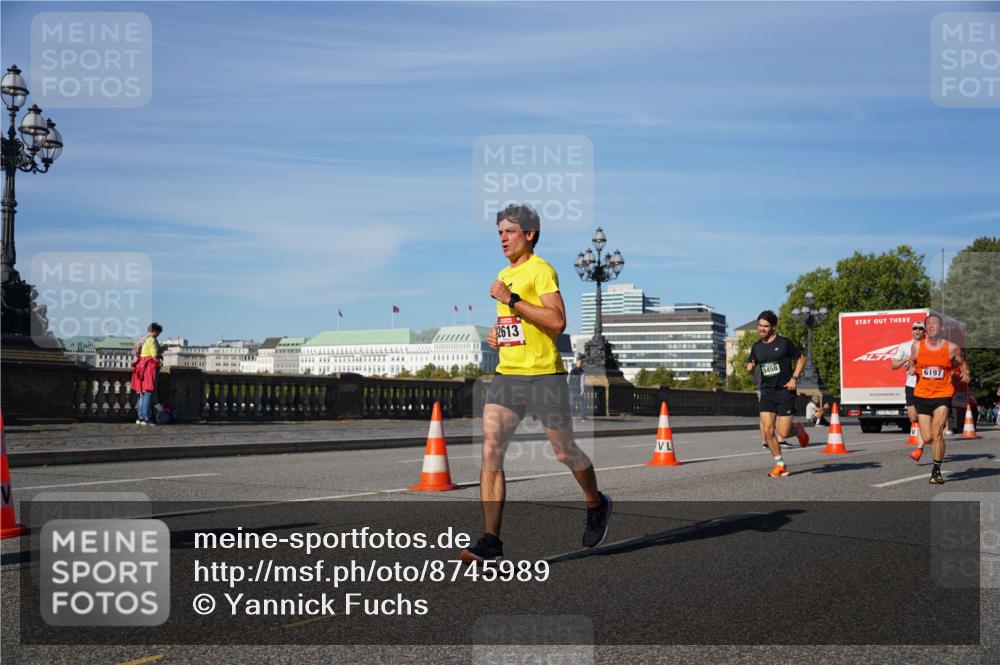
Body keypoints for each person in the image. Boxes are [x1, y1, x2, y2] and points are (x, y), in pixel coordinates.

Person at [459, 205, 611, 564]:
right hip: (508, 374)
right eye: (499, 232)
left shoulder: (541, 270)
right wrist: (498, 335)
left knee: (564, 451)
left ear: (529, 234)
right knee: (491, 450)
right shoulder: (502, 274)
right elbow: (517, 327)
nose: (502, 238)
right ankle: (491, 541)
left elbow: (557, 321)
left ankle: (595, 503)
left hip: (544, 375)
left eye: (509, 231)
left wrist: (511, 298)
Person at [909, 313, 970, 484]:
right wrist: (911, 368)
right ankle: (934, 458)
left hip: (943, 394)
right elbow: (911, 362)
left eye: (935, 324)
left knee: (937, 432)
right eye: (929, 324)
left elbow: (962, 362)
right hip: (921, 395)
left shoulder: (951, 348)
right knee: (927, 437)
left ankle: (936, 470)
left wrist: (966, 372)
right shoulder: (917, 347)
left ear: (941, 328)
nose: (931, 327)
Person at [746, 310, 807, 478]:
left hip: (785, 391)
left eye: (766, 326)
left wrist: (794, 378)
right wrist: (750, 369)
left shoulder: (784, 343)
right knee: (767, 430)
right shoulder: (757, 347)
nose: (762, 329)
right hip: (767, 392)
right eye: (760, 325)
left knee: (785, 432)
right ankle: (780, 465)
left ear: (773, 327)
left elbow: (802, 358)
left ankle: (799, 430)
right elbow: (751, 365)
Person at [892, 320, 926, 461]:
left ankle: (919, 448)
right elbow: (893, 365)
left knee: (924, 418)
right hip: (911, 386)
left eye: (920, 329)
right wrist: (904, 360)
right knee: (913, 418)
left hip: (925, 387)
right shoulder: (904, 346)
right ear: (912, 331)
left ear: (924, 331)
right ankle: (926, 430)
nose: (917, 331)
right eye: (915, 328)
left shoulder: (929, 346)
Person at [131, 322, 164, 426]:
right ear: (154, 331)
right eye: (158, 333)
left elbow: (138, 352)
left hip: (141, 368)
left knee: (142, 394)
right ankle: (146, 418)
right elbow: (154, 356)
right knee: (148, 393)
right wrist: (161, 356)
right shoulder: (152, 340)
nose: (159, 335)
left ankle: (140, 417)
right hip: (149, 368)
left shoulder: (143, 339)